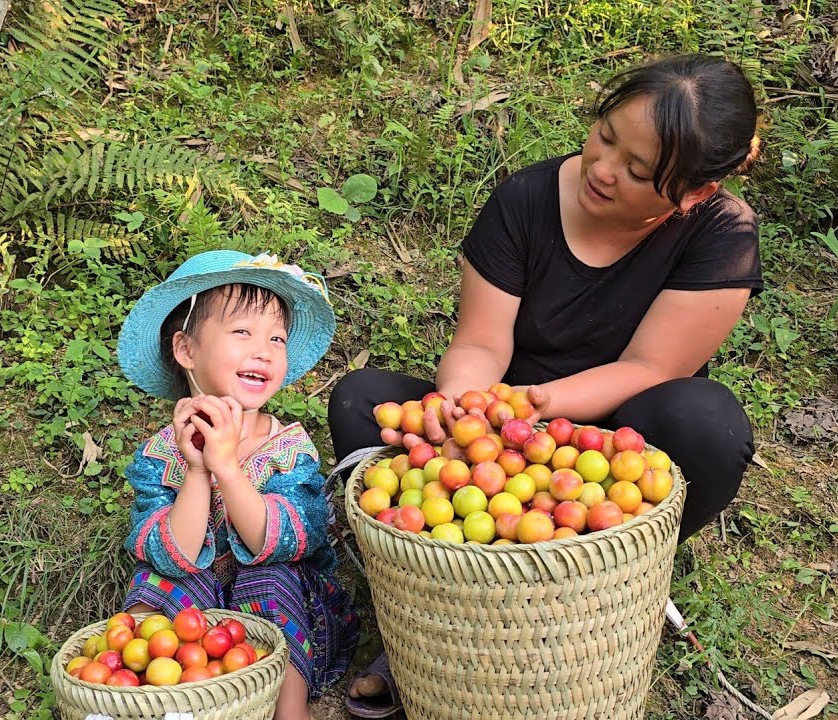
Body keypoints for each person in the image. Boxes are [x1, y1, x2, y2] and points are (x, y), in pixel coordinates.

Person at [328, 53, 762, 718]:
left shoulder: (720, 232)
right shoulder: (527, 201)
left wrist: (536, 406)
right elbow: (479, 343)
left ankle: (611, 584)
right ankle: (441, 614)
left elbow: (648, 368)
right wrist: (459, 406)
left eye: (639, 171)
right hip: (498, 441)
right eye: (606, 136)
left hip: (620, 441)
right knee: (362, 402)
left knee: (707, 425)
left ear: (693, 194)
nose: (603, 168)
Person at [116, 250, 358, 720]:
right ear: (186, 350)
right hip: (200, 620)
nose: (263, 349)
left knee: (271, 577)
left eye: (277, 338)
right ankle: (158, 697)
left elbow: (287, 542)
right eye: (242, 332)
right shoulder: (159, 457)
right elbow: (174, 553)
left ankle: (290, 710)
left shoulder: (289, 450)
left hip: (289, 611)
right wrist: (197, 471)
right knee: (158, 580)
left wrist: (228, 470)